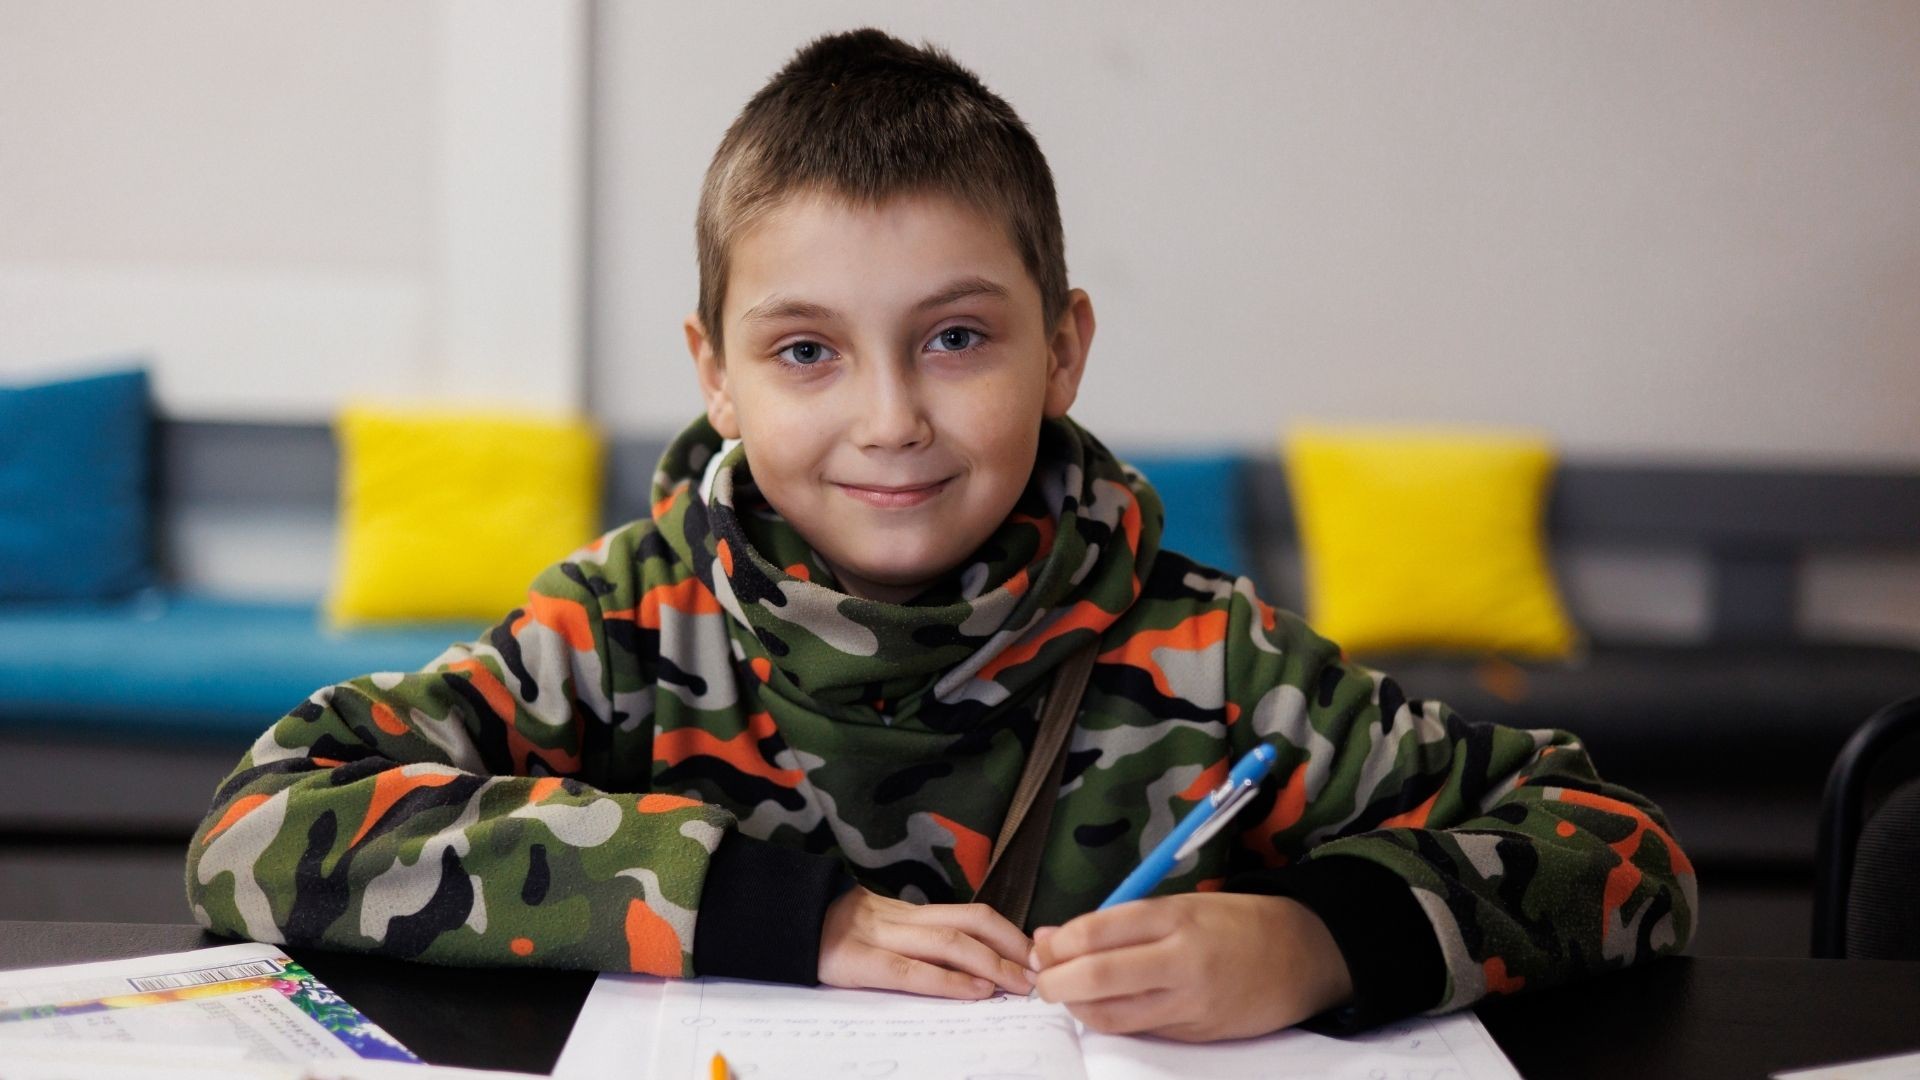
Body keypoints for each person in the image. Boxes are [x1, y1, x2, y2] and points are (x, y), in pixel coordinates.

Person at [186, 28, 1696, 1041]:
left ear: (1065, 348)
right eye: (805, 352)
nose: (890, 417)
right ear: (712, 369)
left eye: (958, 337)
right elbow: (257, 827)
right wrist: (769, 908)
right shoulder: (624, 631)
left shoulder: (1215, 661)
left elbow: (1622, 852)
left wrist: (1320, 942)